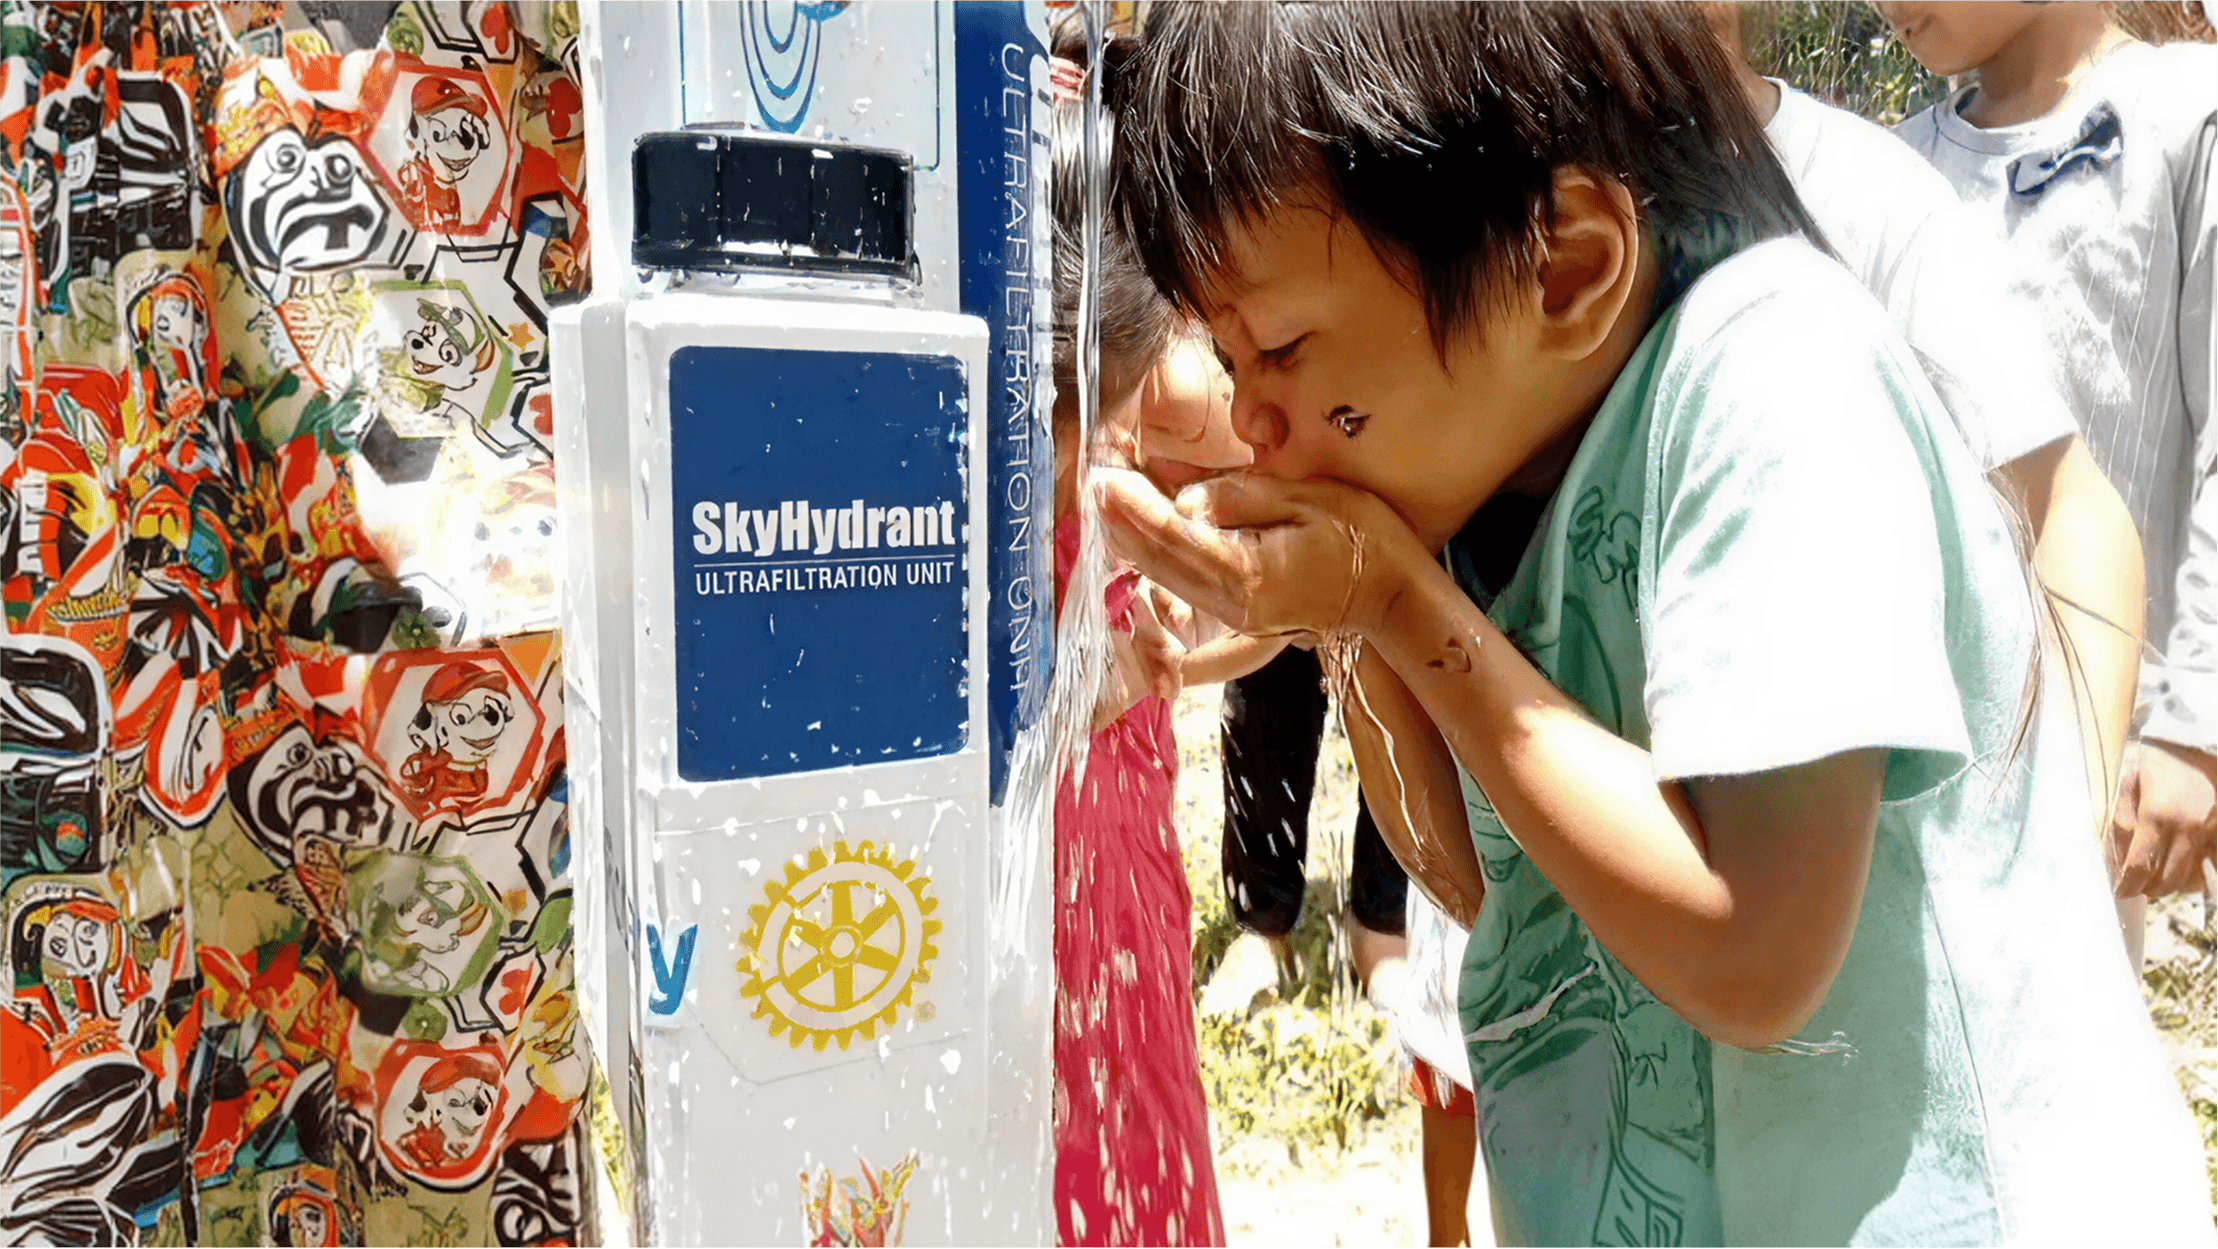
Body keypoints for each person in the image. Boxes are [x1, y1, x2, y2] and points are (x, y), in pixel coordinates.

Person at [1097, 1, 2211, 1244]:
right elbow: (1482, 876)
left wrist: (1396, 602)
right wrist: (1353, 615)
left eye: (1284, 351)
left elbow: (1755, 949)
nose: (1252, 422)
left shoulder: (1777, 378)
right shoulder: (1494, 450)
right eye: (1234, 361)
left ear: (1565, 264)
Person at [1695, 1, 2153, 959]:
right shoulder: (1455, 194)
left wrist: (2065, 855)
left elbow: (2066, 504)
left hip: (1885, 930)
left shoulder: (1864, 193)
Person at [1881, 0, 2216, 910]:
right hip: (1908, 755)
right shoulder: (1892, 168)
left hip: (2098, 759)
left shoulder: (2186, 112)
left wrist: (2195, 727)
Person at [1045, 41, 1225, 1249]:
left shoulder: (1107, 459)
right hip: (1033, 960)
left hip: (1125, 909)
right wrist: (1085, 692)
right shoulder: (981, 505)